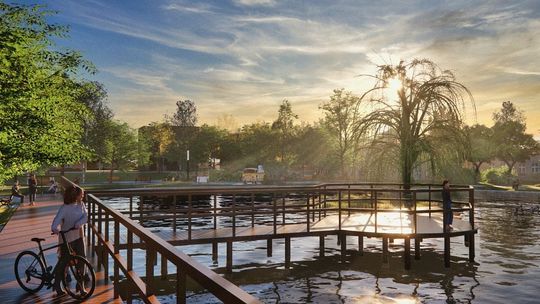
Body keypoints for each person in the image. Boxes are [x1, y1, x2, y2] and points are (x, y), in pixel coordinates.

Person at [50, 185, 88, 296]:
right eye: (82, 194)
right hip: (67, 238)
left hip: (79, 236)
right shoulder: (65, 208)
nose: (83, 196)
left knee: (82, 261)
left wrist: (79, 223)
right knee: (64, 263)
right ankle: (57, 285)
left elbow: (86, 216)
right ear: (75, 195)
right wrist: (56, 229)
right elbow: (55, 223)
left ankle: (81, 286)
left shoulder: (81, 204)